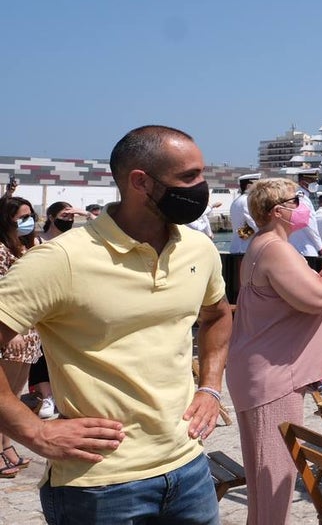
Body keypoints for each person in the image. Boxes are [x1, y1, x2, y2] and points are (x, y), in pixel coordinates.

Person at [0, 125, 232, 523]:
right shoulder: (61, 260)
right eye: (189, 177)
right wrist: (32, 431)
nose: (202, 187)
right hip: (98, 484)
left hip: (189, 468)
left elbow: (217, 314)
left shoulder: (200, 249)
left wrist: (210, 388)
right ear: (140, 182)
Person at [226, 177, 322, 525]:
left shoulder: (262, 245)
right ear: (278, 211)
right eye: (297, 201)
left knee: (265, 476)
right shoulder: (275, 249)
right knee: (275, 477)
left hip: (261, 369)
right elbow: (317, 298)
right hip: (274, 377)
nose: (302, 206)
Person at [27, 202, 83, 422]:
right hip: (42, 303)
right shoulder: (37, 241)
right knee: (40, 353)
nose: (68, 220)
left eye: (71, 216)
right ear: (50, 216)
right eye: (64, 215)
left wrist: (85, 213)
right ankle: (46, 395)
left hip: (66, 303)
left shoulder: (75, 240)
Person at [0, 196, 42, 477]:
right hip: (10, 332)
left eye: (30, 215)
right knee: (4, 397)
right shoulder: (1, 250)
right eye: (21, 217)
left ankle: (7, 447)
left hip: (30, 333)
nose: (27, 221)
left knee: (15, 396)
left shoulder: (31, 246)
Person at [287, 169, 322, 257]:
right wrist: (320, 246)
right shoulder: (301, 198)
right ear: (303, 182)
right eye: (312, 181)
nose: (315, 184)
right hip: (305, 247)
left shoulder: (299, 196)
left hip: (297, 245)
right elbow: (309, 223)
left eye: (316, 181)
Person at [229, 173, 261, 254]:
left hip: (238, 246)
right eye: (256, 184)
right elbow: (254, 224)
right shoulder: (247, 201)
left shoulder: (237, 201)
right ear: (248, 186)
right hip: (245, 248)